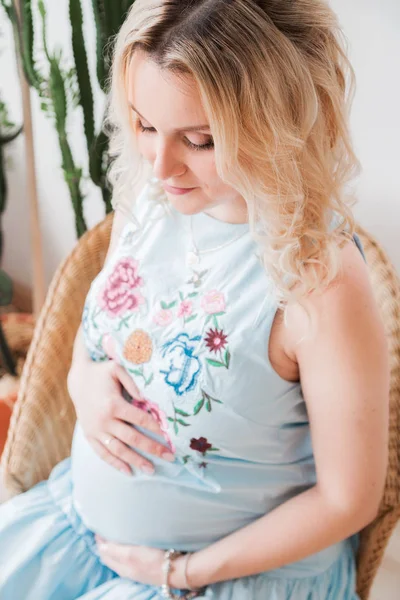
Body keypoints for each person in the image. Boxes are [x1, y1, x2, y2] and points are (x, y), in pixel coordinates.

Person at [0, 1, 390, 599]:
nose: (160, 164)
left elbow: (349, 499)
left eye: (200, 140)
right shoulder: (149, 198)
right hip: (79, 534)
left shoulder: (321, 281)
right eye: (145, 125)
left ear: (276, 121)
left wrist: (180, 572)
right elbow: (99, 327)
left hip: (218, 578)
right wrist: (84, 380)